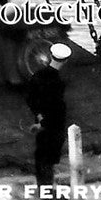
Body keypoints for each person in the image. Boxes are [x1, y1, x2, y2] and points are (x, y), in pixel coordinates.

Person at [27, 42, 71, 187]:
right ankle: (47, 189)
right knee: (49, 157)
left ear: (51, 56)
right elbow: (56, 107)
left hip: (42, 123)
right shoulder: (58, 82)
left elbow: (31, 98)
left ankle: (43, 186)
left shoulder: (37, 75)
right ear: (65, 60)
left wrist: (39, 117)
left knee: (41, 155)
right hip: (53, 125)